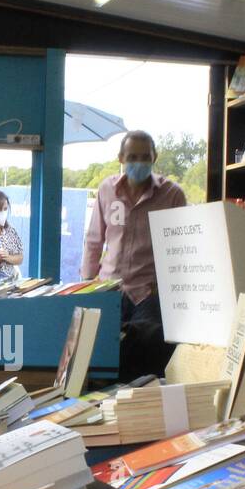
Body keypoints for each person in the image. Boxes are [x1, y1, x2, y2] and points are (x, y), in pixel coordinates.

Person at [81, 130, 186, 379]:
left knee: (145, 363)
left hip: (148, 294)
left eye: (144, 157)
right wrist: (86, 285)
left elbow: (181, 249)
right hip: (109, 291)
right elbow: (94, 240)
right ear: (120, 157)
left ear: (154, 157)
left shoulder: (172, 195)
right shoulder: (107, 190)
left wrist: (168, 289)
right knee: (101, 362)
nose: (138, 163)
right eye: (132, 157)